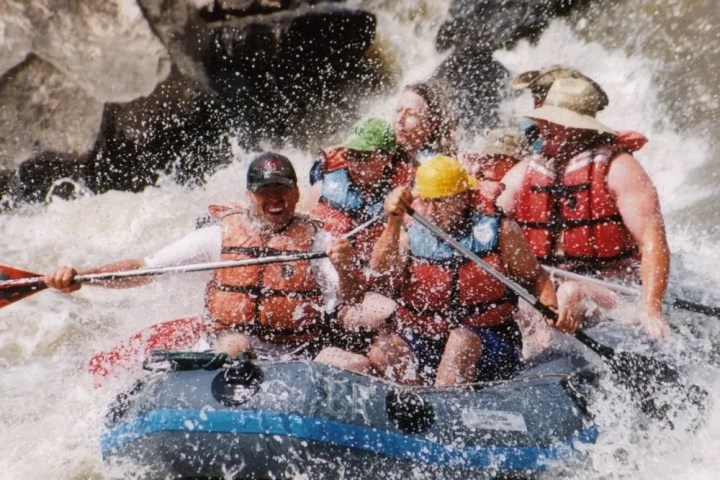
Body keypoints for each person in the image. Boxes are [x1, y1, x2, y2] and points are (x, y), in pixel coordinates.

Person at [44, 152, 369, 365]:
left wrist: (346, 265)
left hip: (297, 351)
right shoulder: (219, 236)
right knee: (237, 348)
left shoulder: (320, 242)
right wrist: (82, 278)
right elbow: (147, 268)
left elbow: (353, 297)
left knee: (357, 364)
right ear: (249, 196)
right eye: (264, 192)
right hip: (232, 338)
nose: (274, 199)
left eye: (281, 190)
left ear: (297, 194)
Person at [497, 77, 671, 339]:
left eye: (556, 121)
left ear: (581, 128)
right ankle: (533, 369)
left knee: (570, 292)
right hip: (547, 283)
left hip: (612, 289)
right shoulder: (528, 171)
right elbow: (485, 212)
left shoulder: (619, 168)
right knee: (517, 303)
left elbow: (652, 241)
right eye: (545, 120)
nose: (544, 127)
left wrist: (652, 307)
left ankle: (547, 361)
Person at [368, 156, 557, 387]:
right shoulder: (409, 232)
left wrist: (552, 308)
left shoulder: (501, 230)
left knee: (460, 340)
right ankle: (418, 400)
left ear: (463, 198)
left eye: (440, 202)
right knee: (383, 349)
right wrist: (393, 222)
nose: (430, 211)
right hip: (429, 339)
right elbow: (380, 271)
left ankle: (443, 408)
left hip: (489, 342)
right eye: (426, 201)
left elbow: (536, 277)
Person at [512, 65, 648, 154]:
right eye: (535, 94)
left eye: (543, 94)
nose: (536, 101)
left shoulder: (598, 148)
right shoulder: (527, 131)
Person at [392, 80, 458, 181]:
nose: (399, 120)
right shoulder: (378, 154)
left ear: (431, 125)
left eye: (411, 114)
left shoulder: (437, 167)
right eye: (398, 110)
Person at [462, 128, 522, 201]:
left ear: (511, 161)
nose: (478, 170)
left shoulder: (523, 184)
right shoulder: (477, 187)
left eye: (490, 159)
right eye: (483, 159)